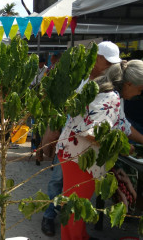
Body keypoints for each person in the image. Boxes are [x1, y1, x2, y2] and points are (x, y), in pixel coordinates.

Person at [41, 41, 122, 236]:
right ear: (96, 58)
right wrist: (49, 137)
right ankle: (51, 217)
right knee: (65, 192)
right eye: (106, 62)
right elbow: (67, 114)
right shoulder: (83, 81)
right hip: (74, 150)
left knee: (72, 200)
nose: (110, 66)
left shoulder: (103, 87)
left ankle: (74, 232)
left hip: (74, 150)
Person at [57, 60, 143, 239]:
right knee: (76, 205)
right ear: (129, 84)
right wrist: (121, 148)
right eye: (140, 89)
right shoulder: (110, 97)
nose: (139, 94)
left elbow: (121, 125)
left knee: (79, 203)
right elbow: (92, 133)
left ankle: (80, 236)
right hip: (78, 156)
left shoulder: (113, 94)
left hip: (76, 153)